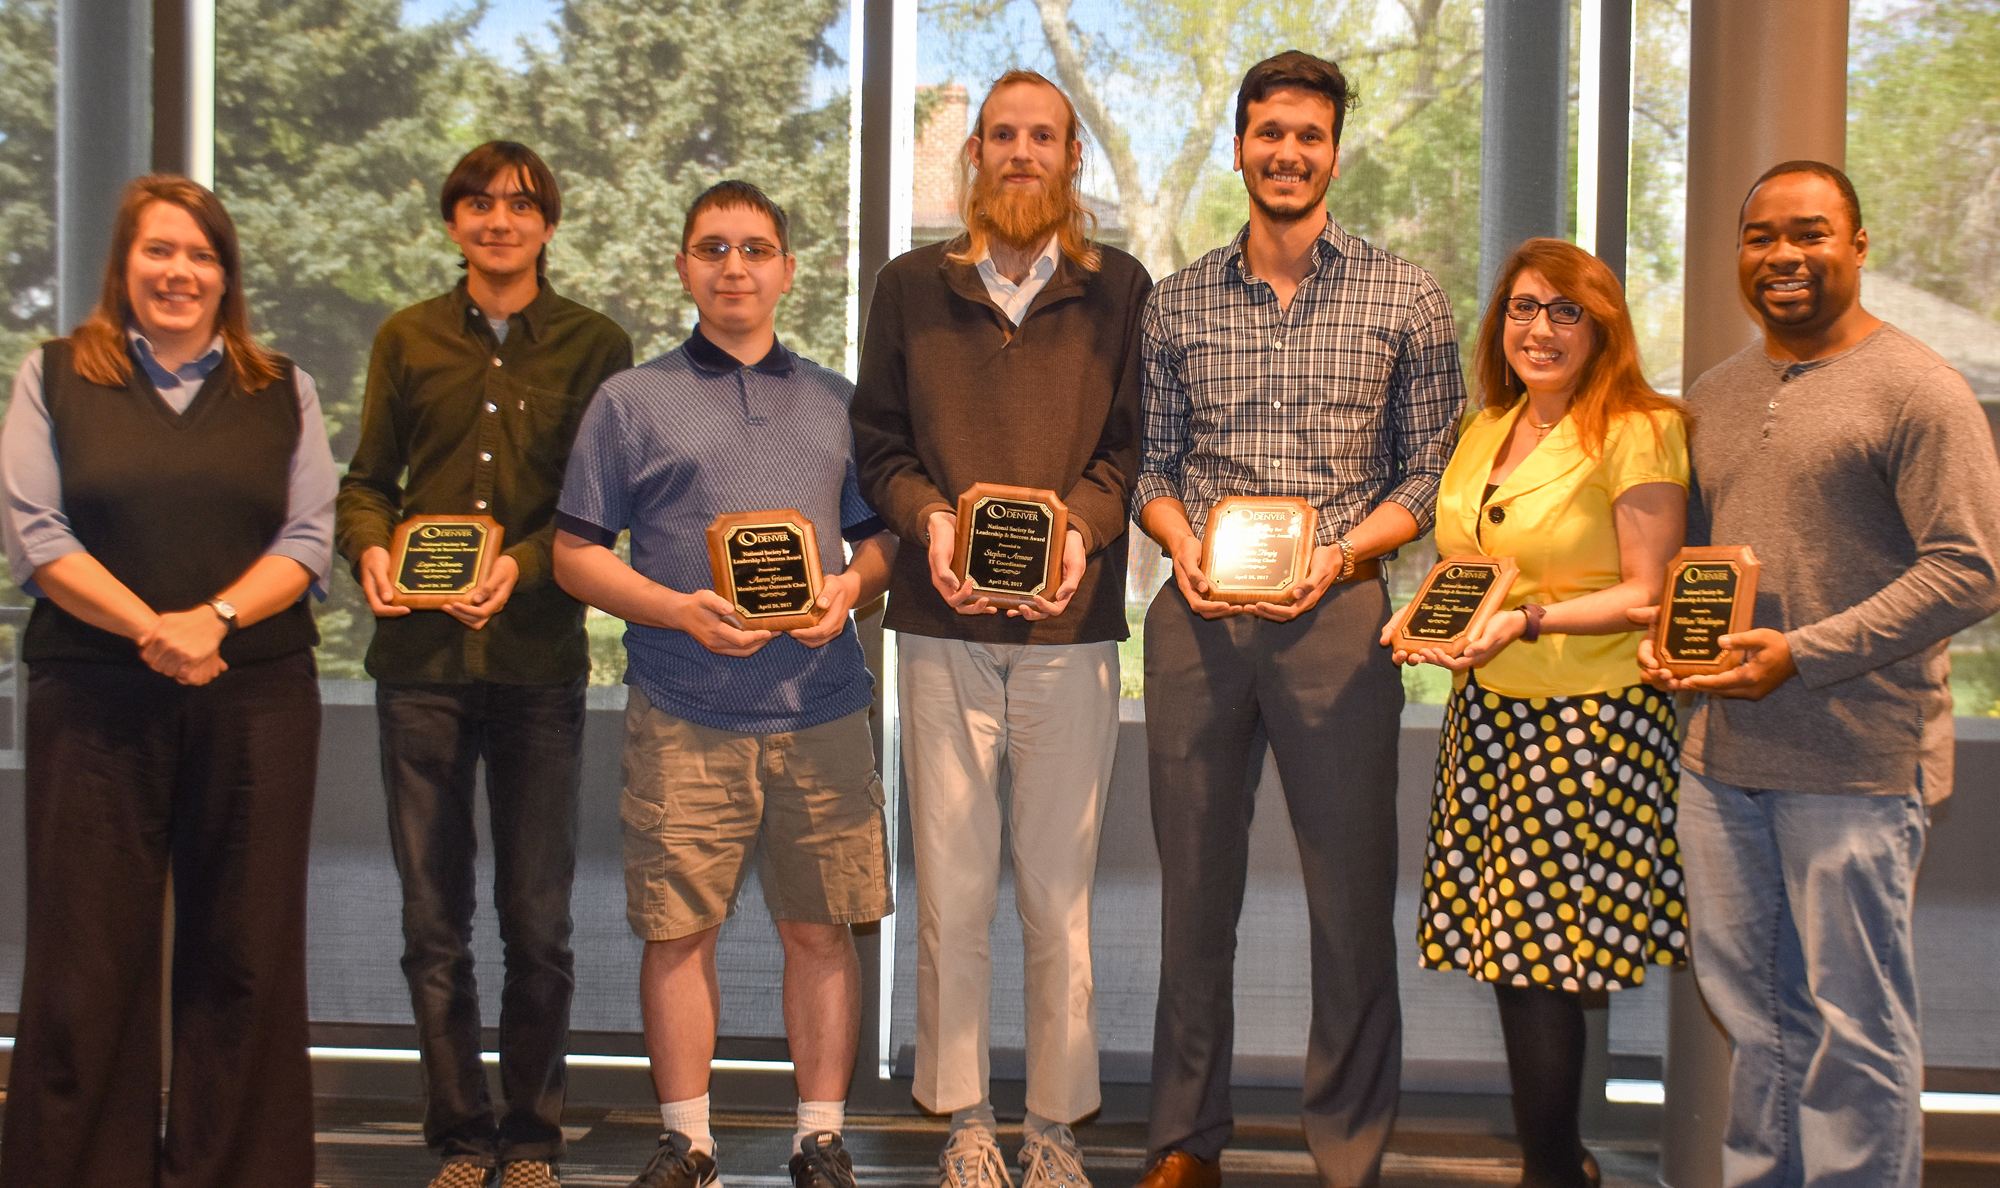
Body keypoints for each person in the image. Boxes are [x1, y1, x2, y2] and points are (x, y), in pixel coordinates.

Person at [1133, 50, 1464, 1188]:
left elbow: (1427, 473)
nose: (1286, 153)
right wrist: (1180, 542)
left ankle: (1348, 1152)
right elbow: (1150, 468)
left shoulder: (1403, 295)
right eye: (1267, 132)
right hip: (1197, 623)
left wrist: (1336, 552)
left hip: (1340, 623)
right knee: (1193, 896)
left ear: (1332, 151)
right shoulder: (1173, 302)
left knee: (1348, 901)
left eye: (1307, 136)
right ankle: (1184, 1138)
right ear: (1238, 146)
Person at [1635, 161, 2000, 1188]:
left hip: (1855, 768)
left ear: (1855, 245)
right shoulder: (1714, 393)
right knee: (1758, 1024)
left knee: (1854, 1031)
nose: (1781, 257)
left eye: (1807, 234)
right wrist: (1673, 641)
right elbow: (1699, 571)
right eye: (1760, 237)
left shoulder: (1917, 389)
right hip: (1720, 762)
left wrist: (1802, 652)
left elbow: (1971, 569)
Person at [553, 180, 896, 1188]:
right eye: (713, 248)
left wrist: (845, 593)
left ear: (787, 270)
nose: (734, 267)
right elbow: (574, 554)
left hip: (821, 708)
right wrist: (676, 607)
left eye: (755, 249)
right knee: (677, 928)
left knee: (819, 926)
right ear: (683, 267)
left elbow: (877, 547)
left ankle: (818, 1136)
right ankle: (687, 1139)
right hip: (682, 710)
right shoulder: (629, 401)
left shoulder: (839, 402)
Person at [0, 174, 337, 1186]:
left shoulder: (283, 385)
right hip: (92, 697)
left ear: (224, 274)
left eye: (199, 255)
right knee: (85, 957)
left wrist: (215, 620)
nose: (178, 272)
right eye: (159, 252)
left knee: (244, 953)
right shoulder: (53, 374)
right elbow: (35, 531)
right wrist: (155, 628)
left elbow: (311, 535)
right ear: (124, 266)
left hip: (257, 698)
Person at [850, 69, 1151, 1188]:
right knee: (955, 888)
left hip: (1071, 637)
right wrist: (929, 524)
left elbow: (1131, 449)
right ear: (974, 153)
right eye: (1002, 134)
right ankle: (968, 1120)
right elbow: (877, 444)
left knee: (1056, 896)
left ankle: (1055, 1128)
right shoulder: (906, 288)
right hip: (936, 627)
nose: (1022, 152)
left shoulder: (1120, 288)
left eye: (1044, 136)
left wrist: (1078, 527)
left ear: (1072, 159)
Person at [336, 141, 633, 1188]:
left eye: (519, 204)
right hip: (417, 661)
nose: (498, 219)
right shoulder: (405, 338)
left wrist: (519, 563)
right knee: (433, 921)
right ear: (452, 219)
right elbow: (367, 480)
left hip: (535, 660)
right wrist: (370, 546)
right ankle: (460, 1137)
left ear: (547, 224)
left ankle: (534, 1136)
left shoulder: (597, 346)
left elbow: (597, 513)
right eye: (478, 202)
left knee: (537, 920)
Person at [1385, 238, 1691, 1188]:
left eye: (1566, 311)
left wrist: (1528, 619)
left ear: (1602, 327)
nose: (1541, 328)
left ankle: (1553, 1172)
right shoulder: (1487, 429)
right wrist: (1424, 607)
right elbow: (1469, 564)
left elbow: (1649, 592)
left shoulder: (1640, 426)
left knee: (1542, 961)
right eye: (1523, 307)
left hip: (1589, 722)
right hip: (1490, 713)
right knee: (1514, 952)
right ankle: (1562, 1166)